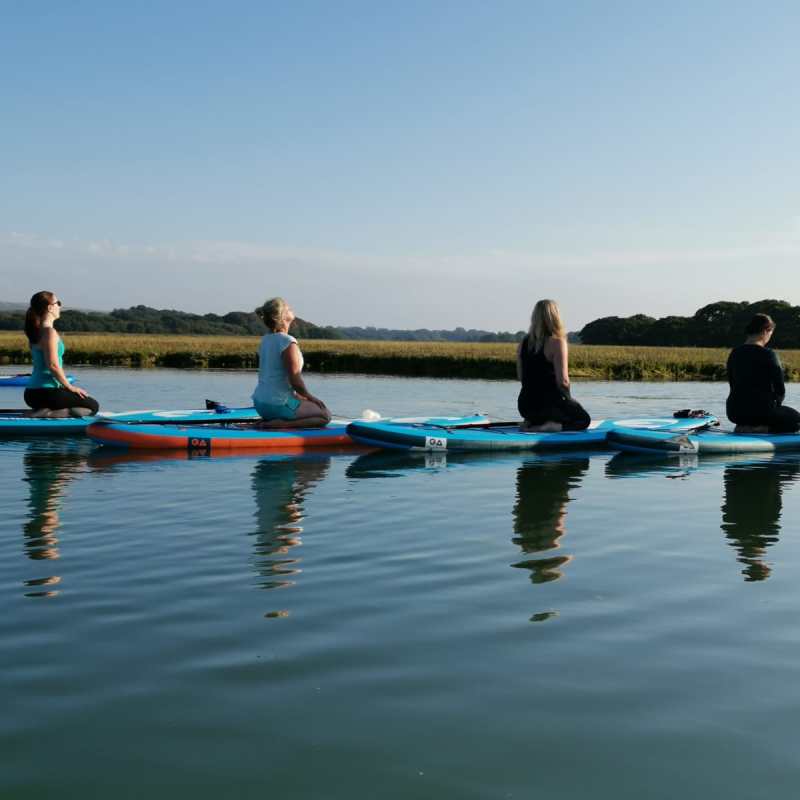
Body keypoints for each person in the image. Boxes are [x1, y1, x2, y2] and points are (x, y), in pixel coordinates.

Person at [251, 297, 331, 428]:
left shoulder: (265, 340)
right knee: (324, 414)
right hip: (278, 405)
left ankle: (271, 420)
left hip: (260, 404)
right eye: (288, 309)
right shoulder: (287, 341)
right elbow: (295, 380)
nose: (292, 309)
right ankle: (279, 424)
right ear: (282, 317)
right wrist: (311, 397)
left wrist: (301, 397)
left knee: (300, 402)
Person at [517, 299, 590, 432]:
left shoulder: (523, 342)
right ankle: (549, 426)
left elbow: (522, 377)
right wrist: (569, 400)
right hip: (547, 406)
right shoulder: (557, 342)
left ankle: (532, 421)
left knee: (551, 409)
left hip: (525, 406)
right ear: (555, 317)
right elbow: (563, 381)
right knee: (584, 420)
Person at [23, 291, 99, 418]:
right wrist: (70, 387)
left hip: (31, 394)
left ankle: (43, 410)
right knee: (93, 406)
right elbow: (52, 365)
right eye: (58, 303)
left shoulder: (35, 331)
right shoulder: (49, 332)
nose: (60, 306)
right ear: (50, 307)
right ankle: (48, 413)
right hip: (47, 392)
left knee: (81, 403)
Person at [726, 313, 800, 434]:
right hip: (761, 413)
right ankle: (761, 429)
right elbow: (780, 391)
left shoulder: (734, 353)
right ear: (766, 331)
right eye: (771, 333)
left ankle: (743, 427)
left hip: (735, 413)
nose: (770, 337)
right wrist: (776, 408)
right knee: (797, 422)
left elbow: (732, 384)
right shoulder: (768, 354)